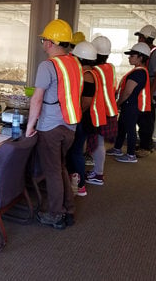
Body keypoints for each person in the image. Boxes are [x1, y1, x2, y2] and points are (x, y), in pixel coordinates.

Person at [25, 19, 83, 230]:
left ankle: (56, 214)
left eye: (43, 39)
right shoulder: (75, 63)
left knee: (52, 171)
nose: (42, 43)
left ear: (50, 42)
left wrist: (31, 126)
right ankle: (68, 209)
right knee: (60, 167)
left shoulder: (48, 65)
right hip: (70, 125)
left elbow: (37, 99)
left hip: (50, 126)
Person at [66, 41, 106, 196]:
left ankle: (80, 184)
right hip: (86, 119)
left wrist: (75, 116)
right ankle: (76, 180)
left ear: (80, 59)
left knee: (75, 151)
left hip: (83, 119)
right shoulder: (93, 72)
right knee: (75, 150)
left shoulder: (87, 76)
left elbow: (86, 101)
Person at [106, 43, 151, 163]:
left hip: (131, 105)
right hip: (130, 105)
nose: (129, 57)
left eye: (132, 55)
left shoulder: (138, 73)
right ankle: (117, 148)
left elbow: (127, 92)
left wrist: (118, 103)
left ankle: (131, 155)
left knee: (130, 129)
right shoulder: (139, 71)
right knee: (122, 127)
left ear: (141, 57)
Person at [85, 36, 118, 186]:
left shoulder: (94, 71)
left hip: (98, 111)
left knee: (98, 143)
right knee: (100, 143)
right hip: (110, 109)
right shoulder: (110, 67)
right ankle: (97, 171)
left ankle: (98, 175)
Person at [134, 25, 156, 157]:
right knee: (143, 119)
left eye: (140, 37)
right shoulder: (148, 53)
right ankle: (146, 143)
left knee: (147, 120)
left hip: (151, 93)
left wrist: (150, 95)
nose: (138, 40)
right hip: (146, 92)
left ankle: (145, 147)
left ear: (146, 38)